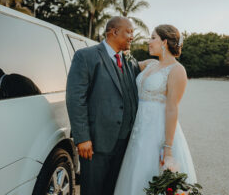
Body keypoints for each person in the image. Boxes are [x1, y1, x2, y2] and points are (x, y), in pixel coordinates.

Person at [114, 24, 197, 195]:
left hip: (158, 132)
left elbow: (172, 109)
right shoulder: (150, 64)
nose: (149, 42)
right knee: (135, 172)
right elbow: (125, 61)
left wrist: (167, 147)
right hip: (139, 131)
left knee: (156, 176)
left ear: (164, 42)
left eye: (153, 38)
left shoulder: (177, 70)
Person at [66, 16, 140, 195]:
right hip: (96, 143)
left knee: (113, 190)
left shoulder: (130, 62)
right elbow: (76, 98)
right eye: (129, 32)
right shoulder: (86, 56)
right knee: (93, 190)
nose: (132, 36)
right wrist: (82, 138)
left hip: (124, 143)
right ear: (114, 32)